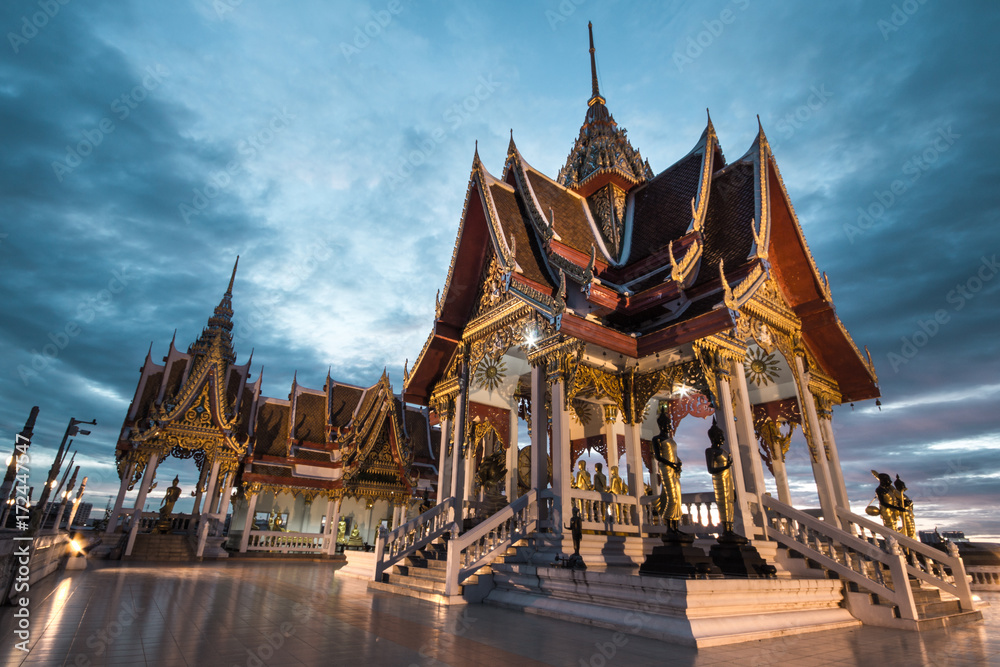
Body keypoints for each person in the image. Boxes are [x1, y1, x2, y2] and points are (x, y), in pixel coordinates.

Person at [651, 408, 682, 532]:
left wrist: (678, 462)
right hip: (666, 469)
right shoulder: (657, 439)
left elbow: (674, 455)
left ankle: (675, 526)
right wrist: (671, 464)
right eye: (667, 424)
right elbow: (658, 457)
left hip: (674, 470)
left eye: (669, 424)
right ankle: (669, 526)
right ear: (660, 425)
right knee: (671, 497)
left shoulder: (671, 440)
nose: (669, 426)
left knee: (677, 497)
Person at [705, 418, 735, 535]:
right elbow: (711, 469)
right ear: (713, 437)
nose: (722, 438)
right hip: (719, 481)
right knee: (723, 504)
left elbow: (729, 471)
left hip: (728, 481)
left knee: (730, 503)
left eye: (722, 436)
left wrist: (733, 488)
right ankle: (726, 528)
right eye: (720, 436)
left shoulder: (724, 451)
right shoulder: (710, 451)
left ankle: (730, 528)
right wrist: (726, 466)